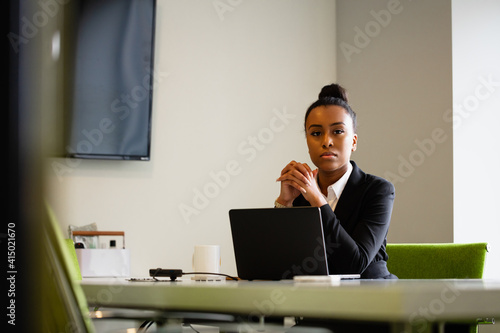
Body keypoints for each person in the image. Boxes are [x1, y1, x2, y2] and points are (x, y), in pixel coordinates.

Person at [275, 83, 397, 279]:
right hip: (313, 301)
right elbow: (276, 262)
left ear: (354, 142)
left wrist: (317, 200)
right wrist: (285, 203)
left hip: (371, 299)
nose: (326, 141)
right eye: (316, 133)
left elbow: (355, 263)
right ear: (307, 142)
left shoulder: (378, 190)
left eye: (338, 131)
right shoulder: (300, 194)